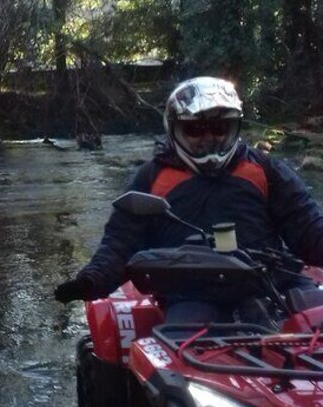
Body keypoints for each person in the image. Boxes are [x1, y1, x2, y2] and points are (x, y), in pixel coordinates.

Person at [53, 76, 323, 322]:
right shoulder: (152, 178)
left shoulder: (265, 170)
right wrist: (90, 281)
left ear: (233, 127)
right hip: (192, 292)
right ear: (176, 130)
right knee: (183, 337)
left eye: (219, 128)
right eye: (195, 131)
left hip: (273, 281)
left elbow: (308, 226)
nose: (209, 139)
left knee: (316, 311)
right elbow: (121, 243)